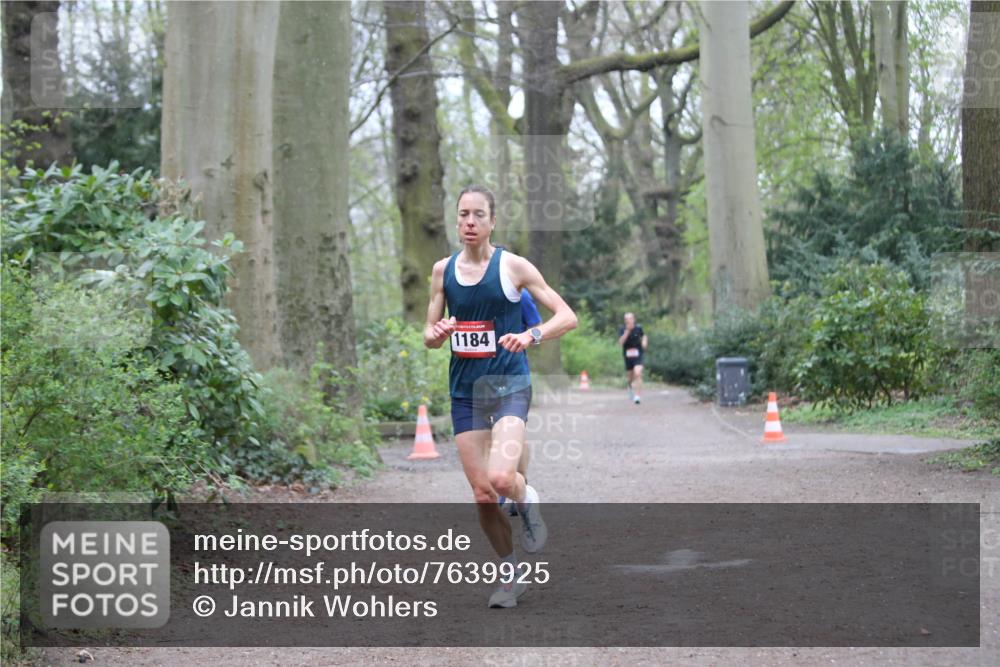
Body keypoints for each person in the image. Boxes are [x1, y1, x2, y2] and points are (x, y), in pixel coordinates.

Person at [424, 185, 577, 608]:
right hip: (464, 392)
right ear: (456, 221)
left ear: (493, 222)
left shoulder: (514, 267)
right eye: (463, 215)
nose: (469, 222)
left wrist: (531, 335)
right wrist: (435, 334)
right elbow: (429, 334)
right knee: (482, 493)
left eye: (478, 215)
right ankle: (511, 574)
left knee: (501, 479)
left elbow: (567, 316)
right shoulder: (442, 271)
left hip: (509, 385)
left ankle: (527, 500)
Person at [618, 312, 647, 404]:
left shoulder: (639, 328)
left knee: (638, 373)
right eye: (626, 319)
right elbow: (621, 343)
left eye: (630, 319)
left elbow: (644, 336)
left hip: (638, 354)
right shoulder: (622, 329)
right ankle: (630, 386)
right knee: (630, 377)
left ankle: (637, 396)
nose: (628, 321)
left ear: (633, 319)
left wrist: (644, 342)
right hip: (628, 355)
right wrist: (627, 332)